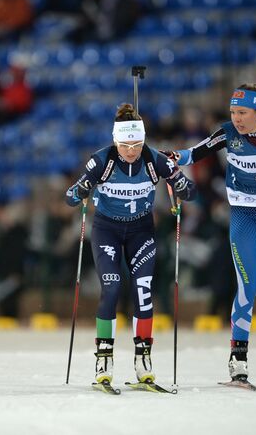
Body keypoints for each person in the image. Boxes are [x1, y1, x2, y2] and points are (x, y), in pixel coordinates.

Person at [163, 83, 256, 384]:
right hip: (244, 217)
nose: (237, 118)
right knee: (247, 288)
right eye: (233, 112)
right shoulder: (228, 133)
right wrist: (171, 157)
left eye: (243, 112)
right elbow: (194, 153)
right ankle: (238, 359)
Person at [65, 103, 196, 385]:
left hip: (141, 230)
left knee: (143, 291)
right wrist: (81, 190)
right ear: (115, 140)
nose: (131, 150)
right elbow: (70, 197)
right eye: (125, 144)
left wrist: (184, 188)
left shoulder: (154, 159)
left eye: (137, 143)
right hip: (107, 230)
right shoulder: (102, 161)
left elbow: (188, 188)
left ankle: (143, 358)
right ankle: (104, 359)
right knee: (111, 288)